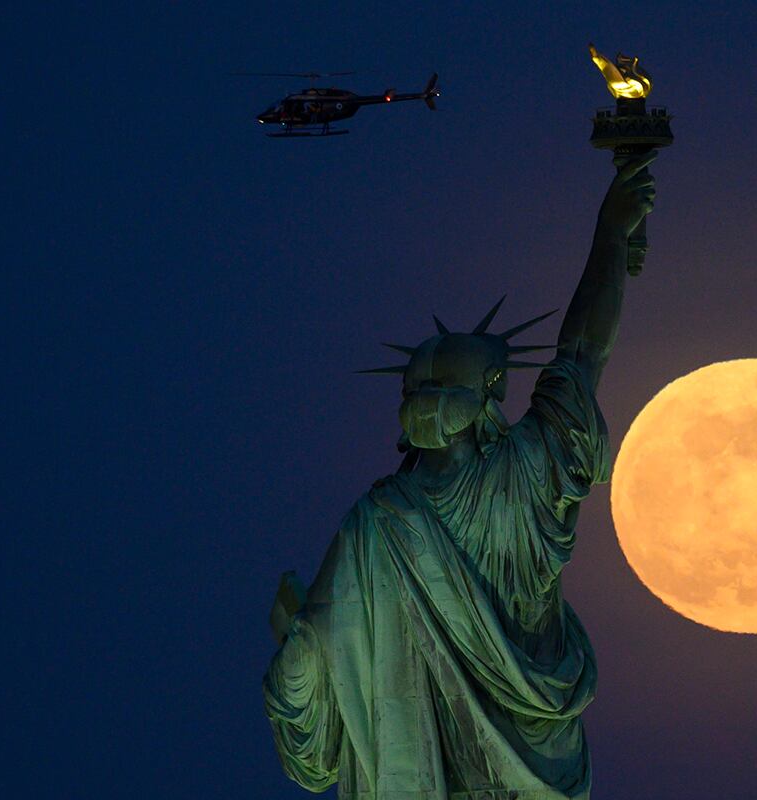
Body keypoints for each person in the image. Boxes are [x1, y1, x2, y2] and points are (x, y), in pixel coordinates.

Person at [263, 152, 658, 799]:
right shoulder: (528, 473)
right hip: (541, 765)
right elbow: (584, 349)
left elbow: (311, 674)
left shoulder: (378, 522)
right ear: (493, 395)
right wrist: (610, 236)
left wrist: (295, 644)